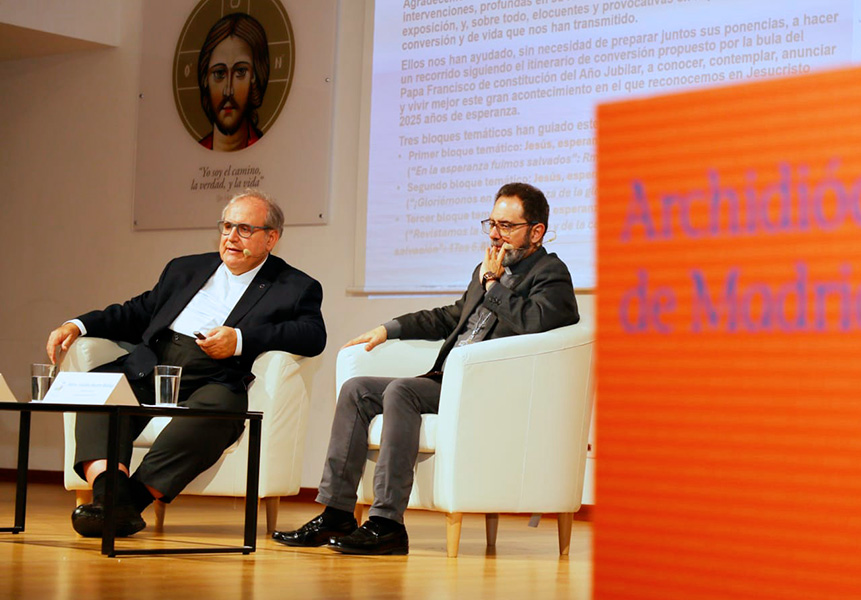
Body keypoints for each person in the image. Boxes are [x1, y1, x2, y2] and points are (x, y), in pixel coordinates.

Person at [273, 182, 579, 555]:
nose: (496, 235)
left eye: (507, 226)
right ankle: (337, 512)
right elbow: (451, 317)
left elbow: (537, 324)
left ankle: (387, 524)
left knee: (402, 390)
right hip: (450, 380)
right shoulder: (486, 270)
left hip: (490, 388)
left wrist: (494, 285)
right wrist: (389, 329)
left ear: (536, 231)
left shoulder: (551, 273)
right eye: (491, 224)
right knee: (357, 389)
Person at [46, 190, 327, 538]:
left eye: (244, 229)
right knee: (96, 389)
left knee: (219, 412)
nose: (231, 237)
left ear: (272, 238)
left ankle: (124, 503)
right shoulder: (185, 268)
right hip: (152, 364)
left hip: (214, 376)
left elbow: (313, 335)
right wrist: (78, 324)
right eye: (226, 226)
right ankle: (111, 498)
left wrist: (239, 340)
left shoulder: (295, 286)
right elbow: (137, 312)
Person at [196, 13, 270, 152]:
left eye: (240, 72)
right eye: (219, 73)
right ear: (205, 79)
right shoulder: (190, 155)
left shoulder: (269, 151)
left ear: (254, 77)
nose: (228, 90)